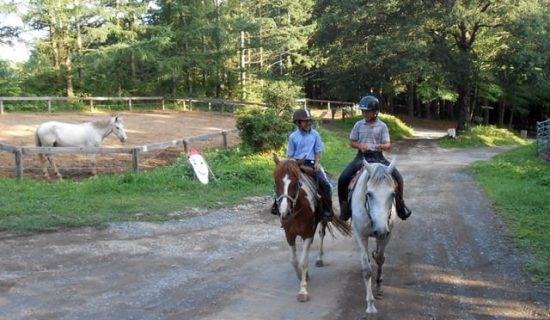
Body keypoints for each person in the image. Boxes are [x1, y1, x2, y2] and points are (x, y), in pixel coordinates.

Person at [337, 95, 412, 221]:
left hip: (379, 157)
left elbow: (388, 145)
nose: (364, 114)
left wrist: (382, 146)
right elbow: (352, 142)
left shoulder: (382, 126)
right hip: (361, 158)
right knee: (343, 178)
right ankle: (344, 207)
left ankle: (400, 206)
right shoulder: (358, 125)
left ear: (375, 112)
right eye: (363, 111)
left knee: (399, 177)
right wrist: (360, 146)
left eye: (367, 111)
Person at [271, 109, 334, 222]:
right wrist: (297, 166)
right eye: (305, 121)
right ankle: (276, 204)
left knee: (326, 185)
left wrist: (317, 163)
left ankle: (327, 210)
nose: (308, 123)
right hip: (296, 163)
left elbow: (318, 151)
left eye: (309, 121)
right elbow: (290, 156)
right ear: (298, 123)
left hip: (312, 163)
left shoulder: (315, 134)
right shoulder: (293, 137)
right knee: (281, 181)